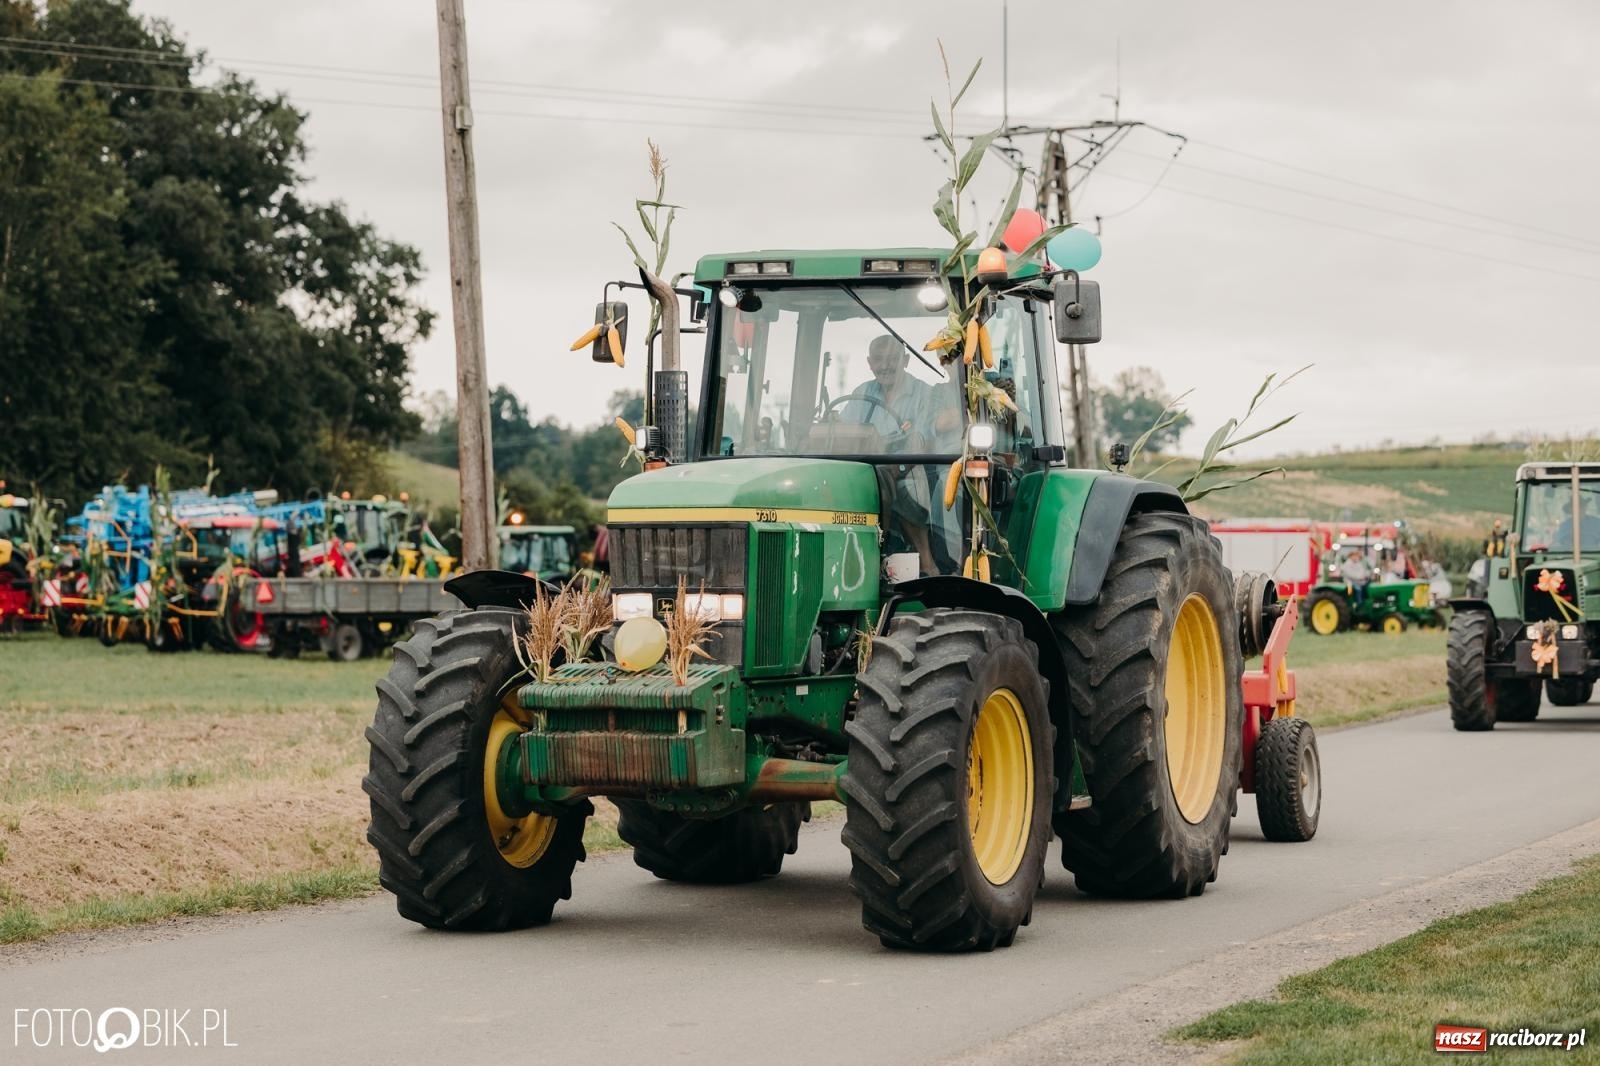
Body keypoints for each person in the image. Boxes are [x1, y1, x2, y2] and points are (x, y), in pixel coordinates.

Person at [844, 336, 963, 575]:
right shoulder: (862, 393)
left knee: (891, 481)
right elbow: (846, 431)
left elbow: (925, 440)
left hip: (912, 468)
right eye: (878, 359)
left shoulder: (924, 393)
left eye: (892, 359)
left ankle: (923, 562)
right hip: (865, 469)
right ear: (869, 363)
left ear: (905, 360)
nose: (885, 365)